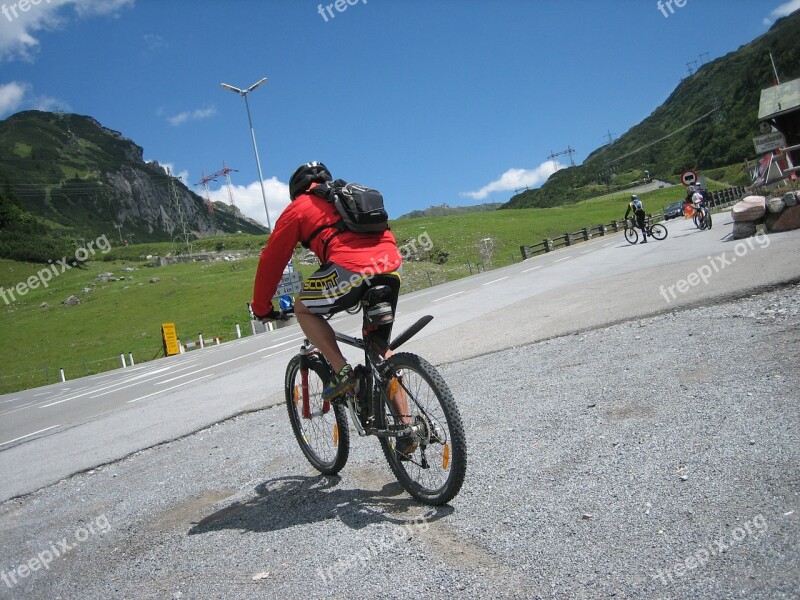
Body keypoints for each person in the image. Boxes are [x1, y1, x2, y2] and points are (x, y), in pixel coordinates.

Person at [250, 161, 407, 408]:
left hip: (350, 268)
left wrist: (261, 307)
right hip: (391, 264)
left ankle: (342, 371)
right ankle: (407, 429)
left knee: (304, 308)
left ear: (296, 190)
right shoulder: (349, 194)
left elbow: (271, 259)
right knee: (379, 350)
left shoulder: (299, 207)